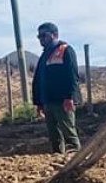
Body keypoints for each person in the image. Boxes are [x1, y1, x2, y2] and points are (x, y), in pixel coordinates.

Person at [32, 22, 82, 153]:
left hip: (63, 101)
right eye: (39, 37)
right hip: (48, 101)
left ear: (54, 35)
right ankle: (58, 157)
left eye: (44, 35)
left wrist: (70, 97)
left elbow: (72, 75)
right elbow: (39, 79)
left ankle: (75, 158)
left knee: (68, 131)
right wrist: (38, 102)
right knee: (54, 135)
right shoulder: (44, 55)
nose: (41, 39)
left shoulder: (65, 50)